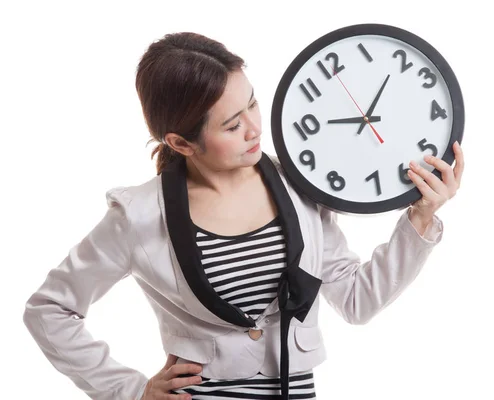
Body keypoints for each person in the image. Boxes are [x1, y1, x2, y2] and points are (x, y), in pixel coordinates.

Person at [23, 32, 464, 400]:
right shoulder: (138, 215)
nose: (255, 128)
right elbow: (49, 309)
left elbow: (356, 302)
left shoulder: (303, 187)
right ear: (181, 143)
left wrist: (422, 217)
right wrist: (130, 390)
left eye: (252, 104)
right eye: (232, 125)